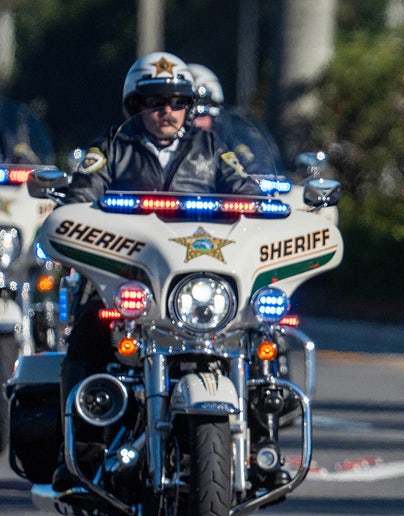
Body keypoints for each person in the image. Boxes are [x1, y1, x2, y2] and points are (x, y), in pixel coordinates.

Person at [53, 51, 262, 493]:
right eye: (155, 101)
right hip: (126, 283)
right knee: (91, 328)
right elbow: (76, 201)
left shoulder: (213, 151)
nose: (167, 111)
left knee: (265, 332)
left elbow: (250, 194)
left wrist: (264, 212)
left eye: (178, 101)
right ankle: (79, 457)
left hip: (197, 288)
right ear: (136, 106)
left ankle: (260, 443)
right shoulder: (108, 148)